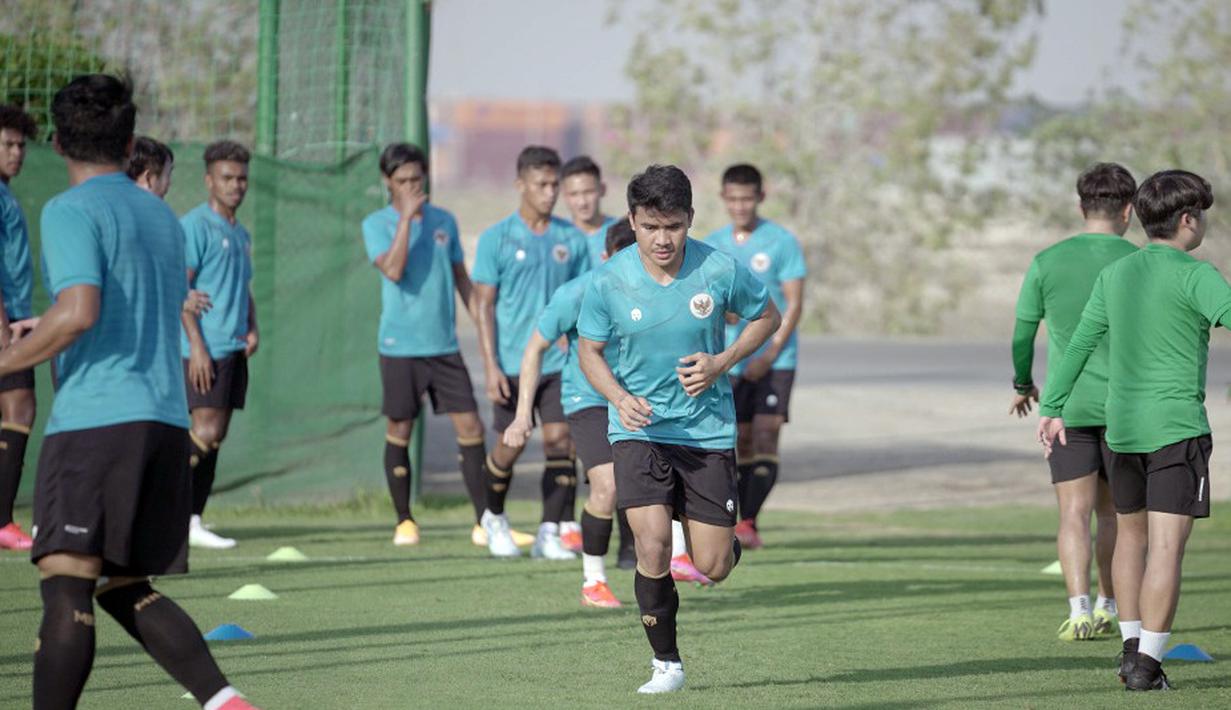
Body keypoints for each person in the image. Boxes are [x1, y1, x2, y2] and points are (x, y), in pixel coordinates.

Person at [6, 73, 255, 710]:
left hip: (97, 422)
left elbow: (80, 310)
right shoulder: (161, 216)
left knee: (66, 584)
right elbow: (124, 302)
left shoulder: (68, 209)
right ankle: (224, 700)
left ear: (56, 143)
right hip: (163, 423)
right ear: (125, 140)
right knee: (123, 585)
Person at [578, 164, 780, 693]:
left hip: (706, 434)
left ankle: (723, 544)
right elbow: (588, 351)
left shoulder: (719, 270)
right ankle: (666, 663)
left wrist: (723, 361)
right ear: (633, 221)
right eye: (649, 226)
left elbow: (768, 316)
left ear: (690, 219)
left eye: (672, 226)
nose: (661, 238)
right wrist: (619, 397)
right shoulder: (609, 280)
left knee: (713, 566)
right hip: (639, 432)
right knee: (651, 548)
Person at [1039, 170, 1223, 691]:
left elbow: (1076, 344)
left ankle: (1129, 650)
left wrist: (1053, 406)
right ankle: (1146, 667)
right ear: (1188, 220)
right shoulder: (1197, 274)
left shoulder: (1117, 273)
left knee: (1130, 539)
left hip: (1121, 430)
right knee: (1166, 548)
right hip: (1175, 430)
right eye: (1202, 214)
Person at [1012, 163, 1138, 641]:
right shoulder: (1138, 261)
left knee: (1072, 513)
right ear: (1129, 210)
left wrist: (1024, 384)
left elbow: (1023, 333)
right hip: (1127, 408)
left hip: (1069, 409)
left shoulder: (1048, 260)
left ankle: (1079, 609)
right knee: (1115, 515)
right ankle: (1110, 604)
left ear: (1081, 206)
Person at [361, 142, 493, 546]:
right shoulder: (377, 224)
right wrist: (405, 220)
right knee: (400, 427)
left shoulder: (445, 221)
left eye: (417, 180)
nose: (412, 188)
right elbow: (394, 269)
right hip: (400, 347)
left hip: (444, 346)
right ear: (388, 182)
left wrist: (484, 323)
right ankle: (405, 520)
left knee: (470, 424)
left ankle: (485, 522)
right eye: (402, 181)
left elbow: (461, 280)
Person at [472, 145, 591, 559]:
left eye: (555, 184)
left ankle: (548, 532)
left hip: (559, 364)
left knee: (561, 443)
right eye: (541, 184)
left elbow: (583, 299)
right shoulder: (496, 238)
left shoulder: (571, 239)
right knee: (511, 445)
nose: (550, 192)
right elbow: (482, 304)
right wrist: (489, 365)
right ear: (520, 184)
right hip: (510, 363)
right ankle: (495, 517)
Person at [705, 164, 806, 549]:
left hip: (775, 359)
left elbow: (793, 304)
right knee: (741, 440)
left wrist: (772, 351)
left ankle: (746, 520)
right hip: (731, 357)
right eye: (733, 199)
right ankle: (742, 521)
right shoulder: (713, 243)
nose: (740, 206)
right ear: (723, 199)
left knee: (767, 434)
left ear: (760, 198)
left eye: (747, 198)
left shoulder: (781, 241)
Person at [180, 141, 258, 550]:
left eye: (242, 178)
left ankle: (192, 518)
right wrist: (196, 345)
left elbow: (243, 286)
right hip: (203, 347)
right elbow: (181, 288)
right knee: (204, 431)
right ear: (209, 180)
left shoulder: (240, 233)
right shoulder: (195, 226)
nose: (236, 185)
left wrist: (252, 326)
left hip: (231, 347)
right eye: (228, 177)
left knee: (216, 435)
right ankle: (161, 508)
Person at [0, 105, 37, 551]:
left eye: (21, 145)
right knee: (19, 409)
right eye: (7, 144)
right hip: (8, 323)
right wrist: (4, 327)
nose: (16, 152)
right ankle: (3, 521)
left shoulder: (9, 195)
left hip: (18, 317)